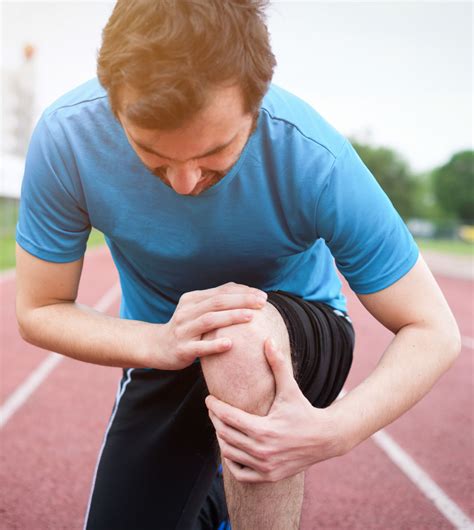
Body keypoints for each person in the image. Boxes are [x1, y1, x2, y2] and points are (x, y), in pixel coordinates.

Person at [15, 1, 461, 529]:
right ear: (112, 103)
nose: (184, 183)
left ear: (257, 100)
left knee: (240, 341)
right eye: (153, 154)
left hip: (297, 333)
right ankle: (214, 499)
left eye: (215, 152)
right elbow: (39, 308)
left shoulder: (313, 158)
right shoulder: (69, 139)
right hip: (161, 347)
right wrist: (159, 343)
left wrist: (335, 431)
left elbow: (433, 328)